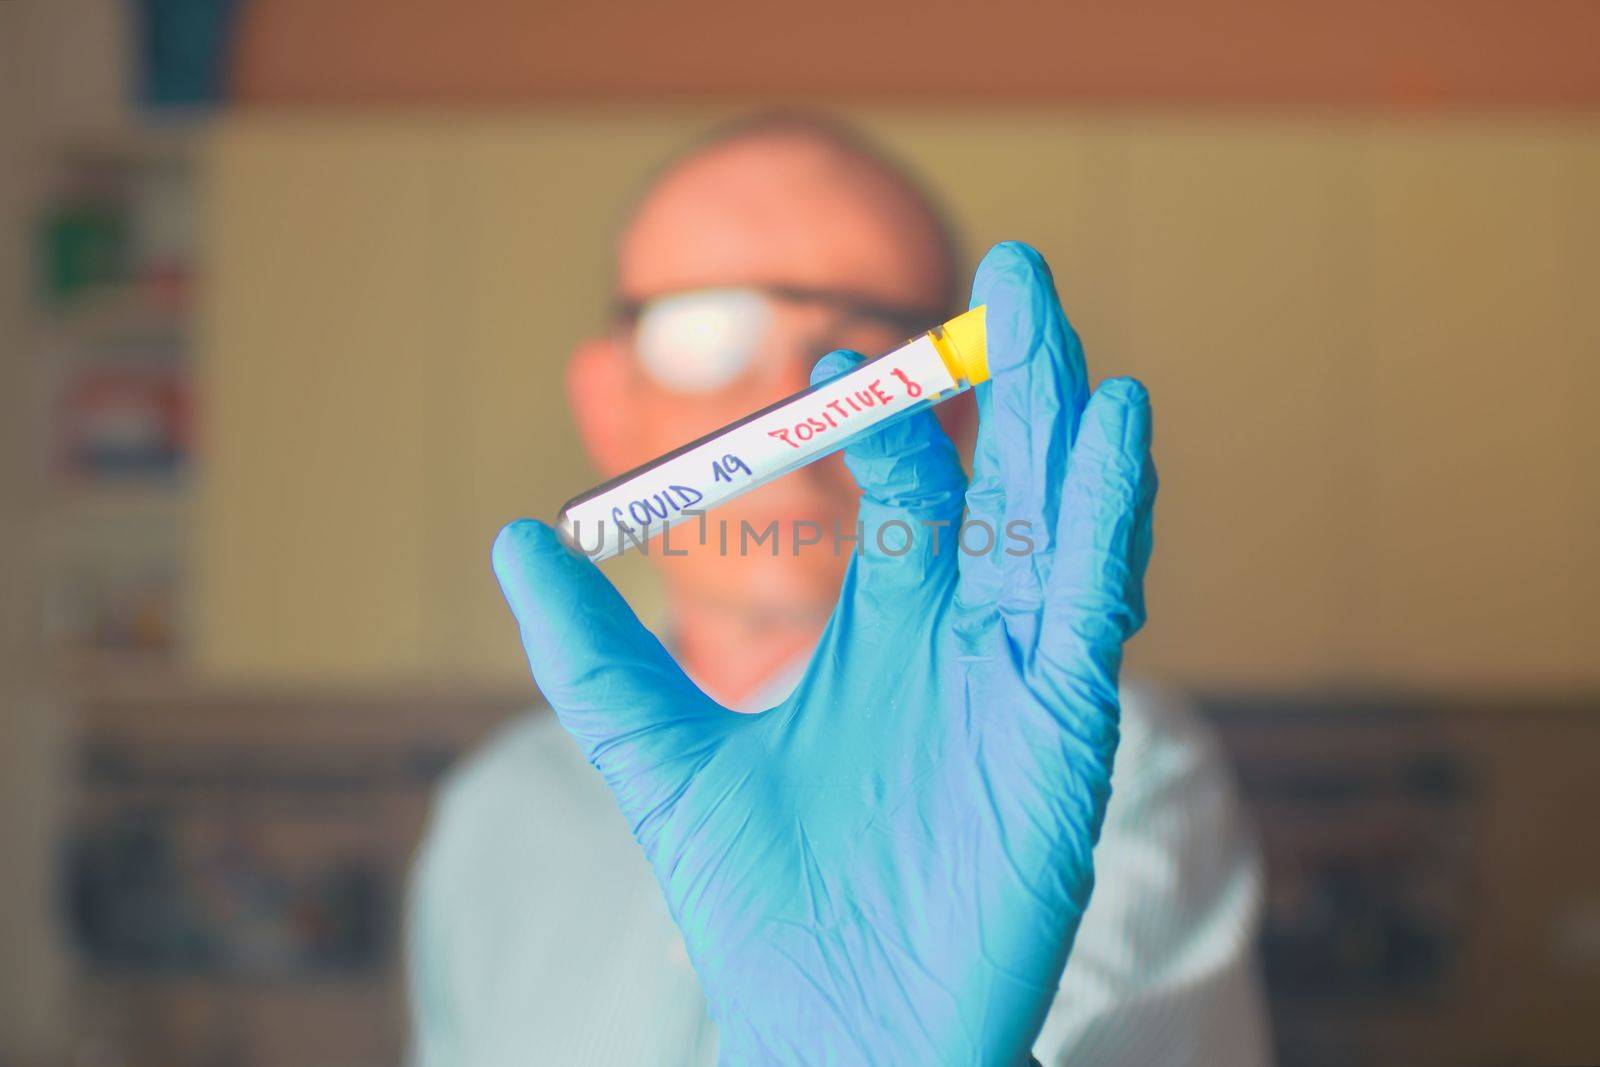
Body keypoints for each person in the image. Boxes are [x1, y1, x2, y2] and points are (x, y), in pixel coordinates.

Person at [407, 115, 1271, 1066]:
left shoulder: (1100, 762)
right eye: (704, 333)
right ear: (610, 403)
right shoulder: (494, 818)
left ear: (956, 404)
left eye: (867, 341)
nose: (788, 401)